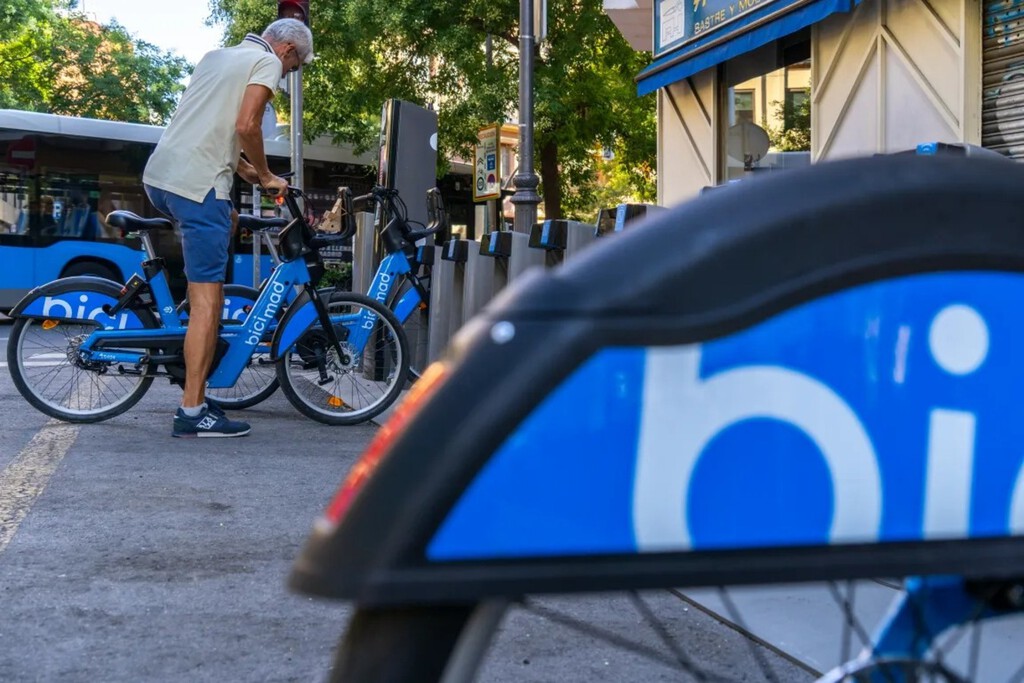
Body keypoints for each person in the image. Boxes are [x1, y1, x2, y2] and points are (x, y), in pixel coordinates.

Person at [143, 18, 314, 438]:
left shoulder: (216, 56)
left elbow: (206, 129)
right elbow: (246, 126)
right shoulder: (266, 62)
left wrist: (246, 171)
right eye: (293, 67)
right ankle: (192, 411)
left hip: (159, 179)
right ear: (288, 50)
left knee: (231, 220)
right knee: (210, 304)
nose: (287, 74)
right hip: (197, 189)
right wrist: (267, 174)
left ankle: (189, 329)